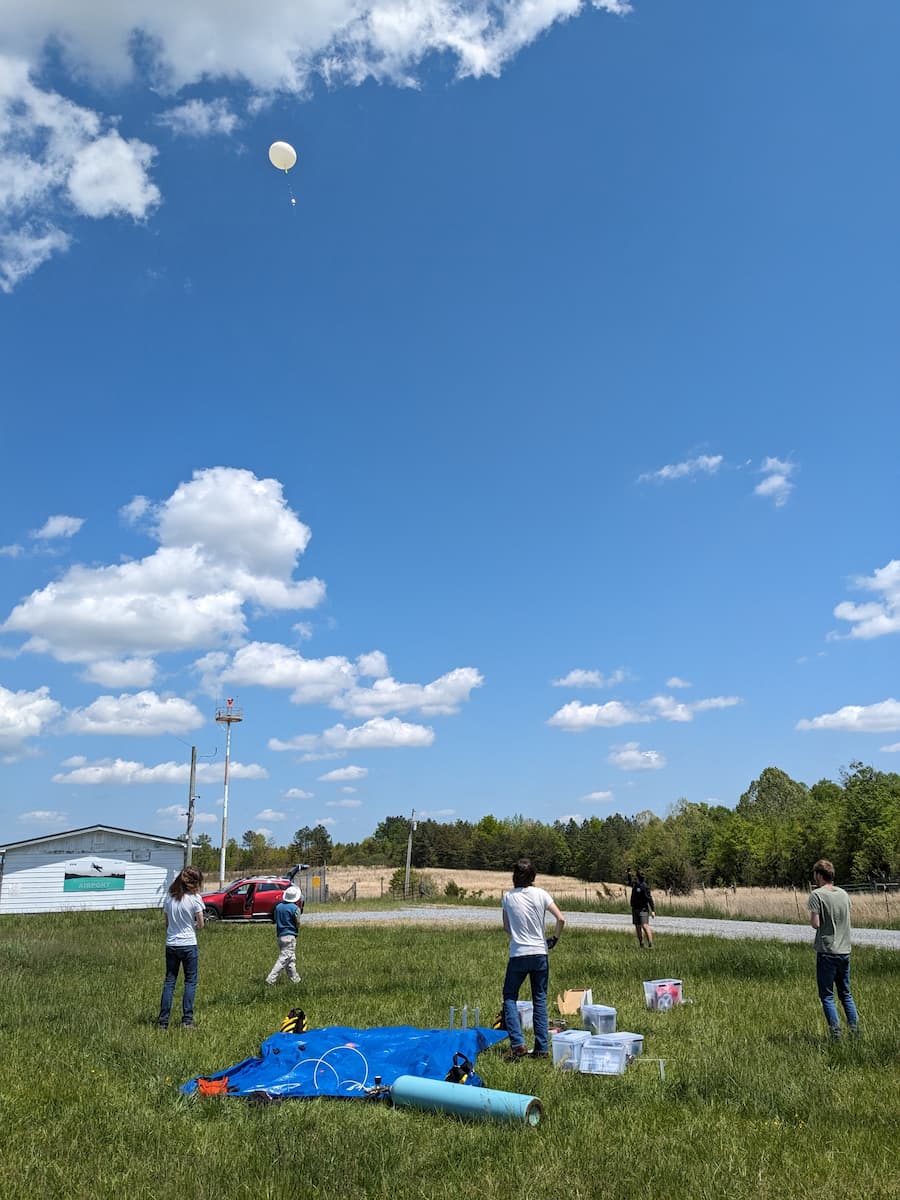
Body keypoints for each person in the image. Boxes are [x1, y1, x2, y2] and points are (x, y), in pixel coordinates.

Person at [501, 858, 565, 1060]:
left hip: (519, 953)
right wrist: (554, 938)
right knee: (540, 999)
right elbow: (561, 918)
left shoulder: (508, 897)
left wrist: (518, 935)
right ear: (533, 876)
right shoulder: (542, 894)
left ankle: (518, 1043)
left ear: (514, 876)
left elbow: (506, 926)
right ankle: (542, 1048)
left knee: (510, 997)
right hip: (540, 952)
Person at [807, 859, 859, 1039]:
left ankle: (836, 1034)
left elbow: (815, 924)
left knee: (827, 996)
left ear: (819, 875)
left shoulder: (817, 895)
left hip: (827, 951)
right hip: (845, 950)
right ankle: (854, 1031)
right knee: (846, 993)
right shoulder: (844, 894)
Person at [158, 865, 205, 1030]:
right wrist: (190, 923)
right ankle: (187, 1020)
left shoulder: (169, 898)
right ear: (194, 883)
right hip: (188, 944)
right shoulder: (195, 899)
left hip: (171, 944)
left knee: (169, 982)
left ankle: (163, 1021)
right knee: (190, 982)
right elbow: (200, 924)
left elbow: (167, 923)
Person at [265, 884, 304, 985]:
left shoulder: (278, 907)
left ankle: (295, 979)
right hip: (290, 936)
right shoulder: (295, 908)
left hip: (280, 935)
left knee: (290, 959)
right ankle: (271, 978)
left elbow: (275, 919)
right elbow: (298, 923)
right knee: (284, 958)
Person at [629, 869, 656, 948]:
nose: (635, 878)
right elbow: (630, 882)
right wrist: (628, 874)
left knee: (644, 925)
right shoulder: (635, 884)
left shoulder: (644, 886)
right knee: (637, 927)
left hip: (643, 909)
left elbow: (649, 899)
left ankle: (650, 943)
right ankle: (641, 944)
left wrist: (653, 910)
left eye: (636, 876)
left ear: (638, 877)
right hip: (635, 909)